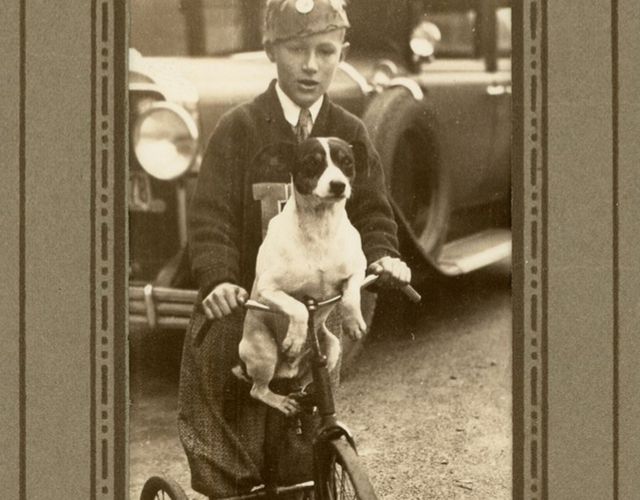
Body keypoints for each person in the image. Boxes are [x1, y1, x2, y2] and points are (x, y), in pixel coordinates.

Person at [178, 0, 411, 497]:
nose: (310, 65)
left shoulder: (351, 131)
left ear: (341, 54)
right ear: (270, 50)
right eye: (296, 49)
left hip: (324, 293)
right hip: (251, 295)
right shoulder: (239, 128)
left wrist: (384, 254)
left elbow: (372, 209)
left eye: (324, 51)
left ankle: (307, 477)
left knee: (311, 397)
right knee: (229, 394)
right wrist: (219, 277)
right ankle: (235, 489)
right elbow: (211, 215)